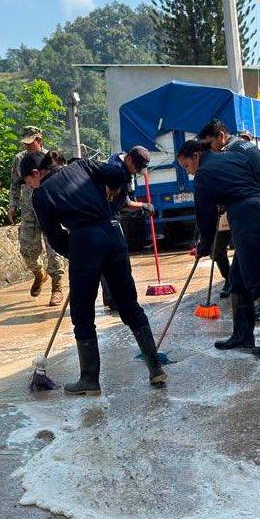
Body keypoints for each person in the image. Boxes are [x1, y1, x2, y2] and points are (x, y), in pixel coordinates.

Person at [23, 151, 166, 394]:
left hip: (84, 240)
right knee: (130, 306)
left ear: (37, 173)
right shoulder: (84, 165)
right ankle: (156, 370)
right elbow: (117, 172)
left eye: (27, 180)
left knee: (82, 313)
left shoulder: (42, 194)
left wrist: (76, 253)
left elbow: (55, 236)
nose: (28, 185)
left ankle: (89, 380)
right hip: (113, 233)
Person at [179, 139, 260, 357]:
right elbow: (247, 181)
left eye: (186, 166)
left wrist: (204, 245)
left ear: (196, 156)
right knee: (238, 279)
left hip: (247, 217)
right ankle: (242, 335)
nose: (189, 172)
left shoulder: (203, 174)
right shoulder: (233, 156)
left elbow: (206, 216)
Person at [10, 126, 64, 306]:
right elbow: (14, 184)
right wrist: (12, 205)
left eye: (30, 143)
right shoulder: (19, 159)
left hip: (50, 210)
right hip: (28, 211)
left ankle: (57, 287)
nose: (27, 147)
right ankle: (40, 274)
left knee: (53, 249)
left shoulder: (51, 158)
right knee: (27, 251)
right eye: (24, 143)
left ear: (39, 141)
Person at [100, 145, 154, 313]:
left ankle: (117, 300)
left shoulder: (120, 163)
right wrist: (143, 205)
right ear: (129, 158)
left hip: (107, 217)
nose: (135, 172)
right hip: (105, 218)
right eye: (135, 168)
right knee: (117, 259)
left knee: (113, 259)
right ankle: (121, 301)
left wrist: (141, 205)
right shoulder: (117, 171)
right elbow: (125, 204)